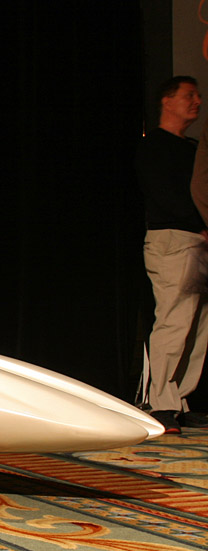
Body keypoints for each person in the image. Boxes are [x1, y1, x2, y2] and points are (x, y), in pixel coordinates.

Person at [136, 76, 208, 434]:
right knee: (175, 320)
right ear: (167, 101)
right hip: (173, 239)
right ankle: (160, 402)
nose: (196, 101)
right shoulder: (154, 147)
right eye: (188, 95)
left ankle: (180, 400)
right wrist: (199, 225)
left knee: (199, 327)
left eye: (197, 96)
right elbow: (165, 195)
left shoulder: (193, 148)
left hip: (198, 240)